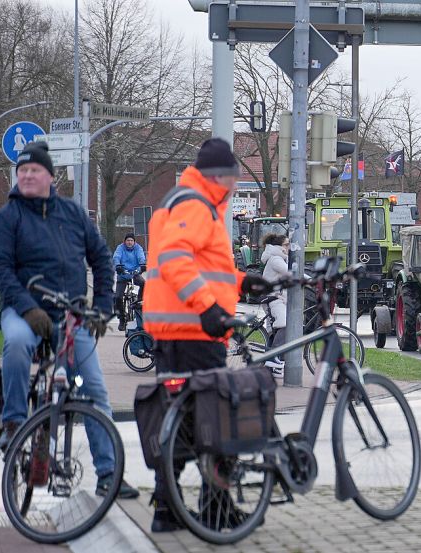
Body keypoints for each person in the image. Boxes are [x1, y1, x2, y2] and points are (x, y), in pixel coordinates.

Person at [0, 141, 139, 499]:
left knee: (94, 390)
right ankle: (14, 423)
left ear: (50, 176)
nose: (27, 176)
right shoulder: (8, 218)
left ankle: (109, 474)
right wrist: (26, 307)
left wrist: (102, 307)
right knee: (19, 343)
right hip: (25, 312)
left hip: (71, 316)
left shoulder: (72, 213)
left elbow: (101, 259)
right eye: (21, 172)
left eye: (33, 171)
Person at [142, 138, 272, 532]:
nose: (235, 186)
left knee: (178, 420)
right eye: (233, 177)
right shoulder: (197, 206)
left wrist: (241, 281)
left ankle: (167, 509)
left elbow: (199, 265)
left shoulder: (179, 201)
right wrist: (209, 308)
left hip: (170, 331)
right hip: (196, 330)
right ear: (222, 177)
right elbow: (174, 259)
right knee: (217, 420)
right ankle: (216, 507)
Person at [260, 233, 291, 378]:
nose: (289, 247)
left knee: (276, 329)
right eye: (286, 244)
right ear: (279, 247)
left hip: (276, 297)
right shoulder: (276, 259)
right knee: (285, 325)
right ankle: (273, 359)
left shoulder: (279, 258)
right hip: (273, 297)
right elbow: (291, 273)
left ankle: (275, 364)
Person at [113, 233, 147, 331]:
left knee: (144, 284)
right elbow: (116, 257)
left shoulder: (138, 248)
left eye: (131, 240)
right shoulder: (120, 248)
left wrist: (142, 265)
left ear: (134, 242)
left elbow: (141, 257)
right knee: (118, 297)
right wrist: (118, 266)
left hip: (134, 273)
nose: (129, 242)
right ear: (125, 241)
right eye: (128, 240)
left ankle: (139, 301)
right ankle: (122, 319)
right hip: (123, 274)